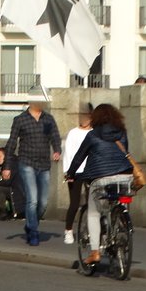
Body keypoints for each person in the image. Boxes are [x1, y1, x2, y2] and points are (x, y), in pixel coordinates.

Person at [66, 103, 134, 265]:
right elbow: (125, 153)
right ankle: (120, 224)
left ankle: (95, 251)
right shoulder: (122, 133)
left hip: (101, 178)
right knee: (119, 202)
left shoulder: (93, 135)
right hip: (125, 176)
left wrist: (71, 173)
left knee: (93, 212)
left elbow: (79, 157)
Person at [6, 89, 62, 246]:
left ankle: (31, 224)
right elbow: (11, 143)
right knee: (32, 200)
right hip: (26, 163)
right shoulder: (20, 120)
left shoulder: (48, 119)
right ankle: (34, 232)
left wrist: (57, 150)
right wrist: (7, 166)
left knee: (43, 202)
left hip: (44, 164)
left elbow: (55, 137)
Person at [62, 102, 94, 244]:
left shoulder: (94, 133)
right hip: (75, 171)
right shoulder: (73, 133)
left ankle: (90, 230)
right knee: (74, 203)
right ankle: (68, 230)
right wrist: (68, 172)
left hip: (91, 170)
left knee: (92, 203)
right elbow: (67, 153)